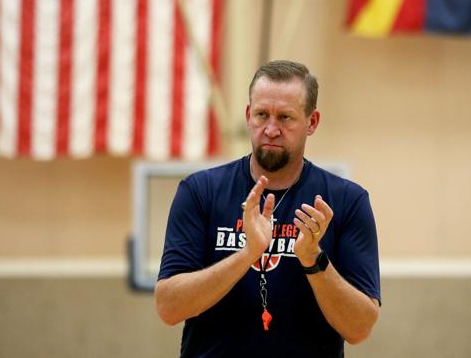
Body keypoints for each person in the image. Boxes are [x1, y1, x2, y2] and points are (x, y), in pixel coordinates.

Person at [156, 60, 381, 357]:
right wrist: (248, 253)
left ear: (311, 122)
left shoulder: (344, 201)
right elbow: (169, 308)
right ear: (249, 116)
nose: (271, 129)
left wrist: (313, 259)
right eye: (262, 114)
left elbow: (360, 328)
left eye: (286, 118)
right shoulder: (200, 191)